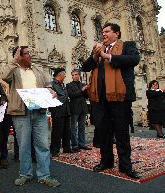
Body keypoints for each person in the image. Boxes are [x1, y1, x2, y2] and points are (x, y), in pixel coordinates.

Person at [83, 23, 140, 179]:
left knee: (121, 133)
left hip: (120, 97)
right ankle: (106, 161)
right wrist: (96, 55)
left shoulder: (128, 45)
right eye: (102, 32)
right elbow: (85, 67)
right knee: (103, 132)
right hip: (100, 99)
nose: (104, 34)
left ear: (117, 33)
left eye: (107, 31)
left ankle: (125, 166)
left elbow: (134, 59)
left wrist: (108, 56)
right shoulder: (98, 51)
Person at [0, 46, 60, 187]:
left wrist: (51, 92)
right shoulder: (13, 70)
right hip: (21, 112)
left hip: (39, 111)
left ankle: (44, 175)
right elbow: (3, 76)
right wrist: (14, 59)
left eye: (29, 53)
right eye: (26, 54)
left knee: (43, 145)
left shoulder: (37, 69)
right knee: (24, 145)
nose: (30, 56)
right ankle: (25, 174)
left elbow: (48, 84)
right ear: (19, 56)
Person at [49, 67, 73, 157]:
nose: (65, 75)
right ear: (59, 74)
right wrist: (63, 97)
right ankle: (54, 150)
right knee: (57, 132)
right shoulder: (52, 84)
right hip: (58, 111)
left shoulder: (62, 84)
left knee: (67, 131)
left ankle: (67, 148)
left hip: (66, 110)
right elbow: (54, 97)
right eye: (64, 73)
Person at [66, 69, 91, 151]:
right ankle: (74, 145)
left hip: (83, 108)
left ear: (79, 75)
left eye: (76, 74)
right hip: (74, 109)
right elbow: (71, 95)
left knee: (82, 127)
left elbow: (86, 96)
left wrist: (87, 90)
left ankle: (82, 144)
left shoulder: (82, 84)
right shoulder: (69, 85)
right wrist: (81, 90)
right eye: (73, 75)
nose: (74, 76)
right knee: (73, 128)